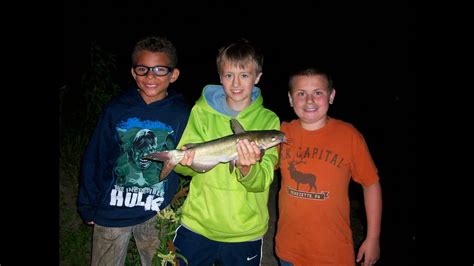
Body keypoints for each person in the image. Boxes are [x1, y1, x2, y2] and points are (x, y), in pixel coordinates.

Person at [76, 35, 191, 266]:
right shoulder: (116, 109)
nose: (150, 76)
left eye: (160, 69)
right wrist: (87, 204)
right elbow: (95, 158)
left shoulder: (183, 113)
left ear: (173, 74)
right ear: (133, 72)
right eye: (143, 69)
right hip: (111, 211)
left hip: (156, 213)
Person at [171, 39, 280, 265]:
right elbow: (184, 169)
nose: (236, 83)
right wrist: (185, 161)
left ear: (257, 77)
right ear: (220, 78)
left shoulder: (269, 120)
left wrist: (247, 167)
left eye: (244, 75)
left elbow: (263, 180)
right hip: (197, 225)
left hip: (244, 231)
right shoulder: (201, 111)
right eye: (229, 75)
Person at [275, 67, 382, 266]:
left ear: (331, 96)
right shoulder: (281, 133)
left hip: (334, 253)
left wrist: (373, 238)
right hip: (289, 249)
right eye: (301, 94)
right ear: (290, 99)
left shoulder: (349, 136)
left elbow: (371, 184)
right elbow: (260, 169)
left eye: (318, 93)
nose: (309, 101)